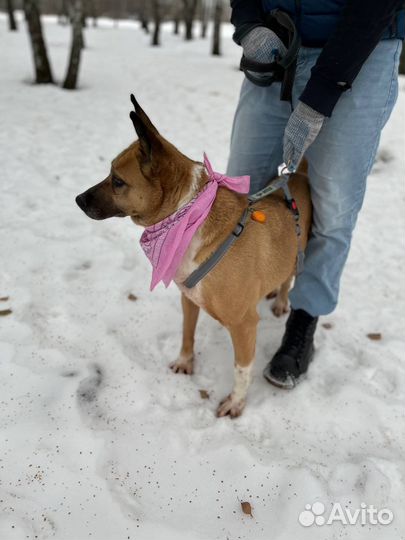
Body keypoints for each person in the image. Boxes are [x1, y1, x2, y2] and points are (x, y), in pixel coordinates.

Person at [228, 0, 404, 388]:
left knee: (334, 204)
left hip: (363, 52)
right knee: (240, 188)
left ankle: (304, 318)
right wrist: (248, 24)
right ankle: (244, 281)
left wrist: (320, 97)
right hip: (280, 47)